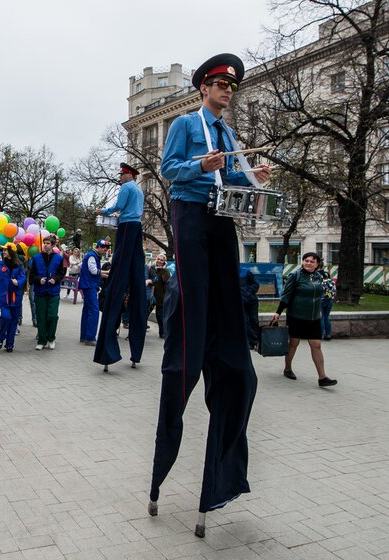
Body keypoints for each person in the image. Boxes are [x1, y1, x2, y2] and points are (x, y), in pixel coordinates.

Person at [150, 53, 272, 536]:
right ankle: (191, 331)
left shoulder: (228, 134)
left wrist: (252, 177)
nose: (228, 91)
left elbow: (234, 178)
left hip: (223, 217)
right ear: (203, 87)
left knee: (227, 289)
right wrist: (201, 163)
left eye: (232, 86)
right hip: (190, 214)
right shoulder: (185, 124)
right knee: (196, 297)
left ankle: (226, 342)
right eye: (221, 83)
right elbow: (170, 170)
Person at [93, 162, 148, 370]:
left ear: (128, 176)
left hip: (126, 228)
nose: (120, 178)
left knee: (118, 273)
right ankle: (136, 351)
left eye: (122, 175)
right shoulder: (139, 191)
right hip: (137, 228)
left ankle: (108, 346)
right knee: (135, 274)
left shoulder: (127, 188)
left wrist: (104, 210)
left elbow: (118, 206)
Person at [272, 253, 338, 387]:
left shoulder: (320, 277)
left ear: (317, 264)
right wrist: (278, 312)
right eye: (306, 261)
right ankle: (288, 368)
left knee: (316, 345)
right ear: (302, 262)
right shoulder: (295, 276)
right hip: (296, 316)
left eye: (312, 261)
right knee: (293, 343)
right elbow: (286, 296)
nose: (308, 263)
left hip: (314, 317)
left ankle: (322, 377)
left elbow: (324, 293)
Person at [0, 243, 25, 352]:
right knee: (5, 317)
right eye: (3, 250)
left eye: (6, 250)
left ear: (11, 251)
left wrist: (18, 282)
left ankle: (10, 344)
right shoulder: (0, 265)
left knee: (13, 321)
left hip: (16, 298)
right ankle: (1, 336)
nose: (4, 252)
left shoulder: (19, 265)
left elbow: (23, 277)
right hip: (4, 297)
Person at [29, 235, 64, 350]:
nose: (45, 245)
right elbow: (32, 275)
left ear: (53, 245)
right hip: (40, 291)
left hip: (53, 292)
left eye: (48, 243)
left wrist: (55, 279)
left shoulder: (59, 258)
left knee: (53, 316)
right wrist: (39, 280)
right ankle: (42, 340)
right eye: (44, 243)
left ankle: (51, 338)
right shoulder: (36, 258)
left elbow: (61, 273)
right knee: (41, 316)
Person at [78, 241, 107, 345]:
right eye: (103, 247)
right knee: (94, 311)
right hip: (89, 286)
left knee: (87, 310)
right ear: (98, 247)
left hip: (88, 285)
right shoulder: (92, 255)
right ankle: (90, 338)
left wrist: (105, 274)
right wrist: (107, 272)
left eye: (106, 247)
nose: (105, 249)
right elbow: (93, 271)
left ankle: (84, 336)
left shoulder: (92, 255)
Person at [239, 268, 260, 349]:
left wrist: (247, 292)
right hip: (240, 302)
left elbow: (256, 284)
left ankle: (253, 344)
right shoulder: (228, 274)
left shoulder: (245, 272)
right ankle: (256, 341)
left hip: (252, 301)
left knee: (254, 320)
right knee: (244, 321)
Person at [152, 253, 171, 338]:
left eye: (161, 260)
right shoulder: (152, 268)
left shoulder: (166, 271)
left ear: (164, 262)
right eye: (158, 259)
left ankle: (162, 333)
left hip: (161, 297)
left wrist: (163, 269)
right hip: (151, 296)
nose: (159, 261)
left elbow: (166, 281)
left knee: (160, 316)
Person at [318, 263, 335, 340]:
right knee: (326, 317)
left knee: (321, 318)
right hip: (329, 299)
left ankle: (320, 335)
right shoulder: (326, 274)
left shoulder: (316, 275)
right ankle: (328, 334)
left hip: (320, 300)